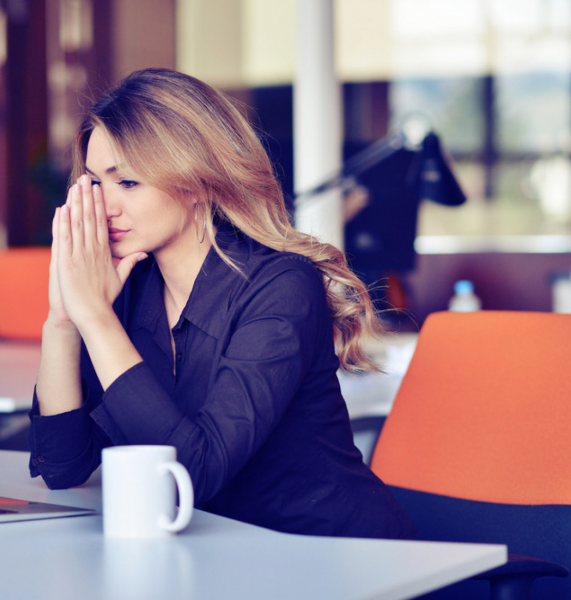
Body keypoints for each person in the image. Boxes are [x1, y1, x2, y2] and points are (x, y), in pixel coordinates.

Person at [28, 68, 415, 539]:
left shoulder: (282, 286)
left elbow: (192, 474)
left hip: (332, 553)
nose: (105, 207)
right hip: (217, 554)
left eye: (127, 182)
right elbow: (62, 465)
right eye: (95, 183)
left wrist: (95, 317)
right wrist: (64, 320)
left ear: (195, 183)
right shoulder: (128, 286)